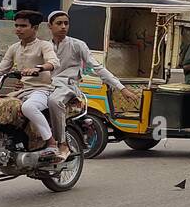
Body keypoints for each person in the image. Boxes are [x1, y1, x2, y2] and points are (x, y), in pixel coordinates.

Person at [46, 10, 135, 160]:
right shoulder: (45, 46)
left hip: (67, 87)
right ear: (50, 26)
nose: (63, 27)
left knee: (54, 102)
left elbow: (97, 67)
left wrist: (121, 88)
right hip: (46, 86)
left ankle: (61, 143)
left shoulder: (77, 45)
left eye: (66, 23)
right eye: (59, 23)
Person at [0, 10, 59, 153]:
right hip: (21, 91)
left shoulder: (44, 45)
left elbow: (54, 62)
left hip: (42, 90)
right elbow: (1, 70)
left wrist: (39, 68)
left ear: (35, 28)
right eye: (16, 25)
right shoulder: (13, 48)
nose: (18, 29)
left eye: (23, 26)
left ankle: (51, 142)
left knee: (28, 107)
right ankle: (9, 143)